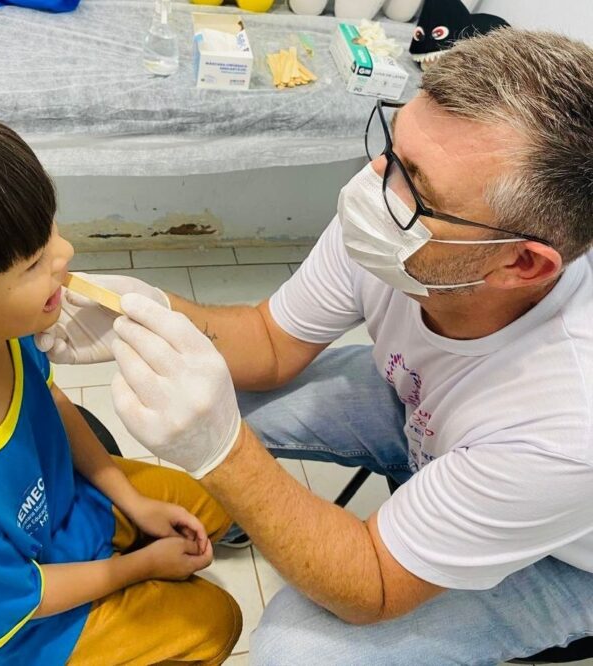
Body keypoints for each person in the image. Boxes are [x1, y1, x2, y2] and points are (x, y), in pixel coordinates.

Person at [38, 28, 593, 665]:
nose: (375, 183)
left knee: (298, 652)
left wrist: (224, 453)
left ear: (521, 263)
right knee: (228, 390)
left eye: (418, 186)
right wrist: (159, 311)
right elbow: (271, 343)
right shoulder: (398, 217)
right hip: (427, 412)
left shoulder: (565, 423)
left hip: (564, 553)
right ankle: (243, 515)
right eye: (392, 147)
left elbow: (374, 586)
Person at [0, 98, 241, 666]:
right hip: (21, 620)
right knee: (215, 623)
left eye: (50, 233)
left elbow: (53, 403)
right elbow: (21, 601)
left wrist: (131, 500)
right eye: (33, 263)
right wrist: (140, 567)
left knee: (216, 505)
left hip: (64, 508)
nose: (66, 253)